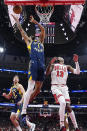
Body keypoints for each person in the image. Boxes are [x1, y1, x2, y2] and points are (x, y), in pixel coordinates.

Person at [12, 15, 45, 129]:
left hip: (42, 66)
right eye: (31, 37)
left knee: (38, 89)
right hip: (33, 65)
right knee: (30, 88)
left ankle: (26, 103)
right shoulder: (29, 43)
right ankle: (24, 112)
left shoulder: (41, 42)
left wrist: (35, 21)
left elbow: (43, 30)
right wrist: (17, 22)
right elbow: (22, 31)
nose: (33, 38)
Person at [46, 54, 80, 131]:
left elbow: (77, 72)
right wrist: (49, 64)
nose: (59, 57)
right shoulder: (53, 65)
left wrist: (76, 62)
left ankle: (76, 127)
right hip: (55, 87)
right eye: (58, 57)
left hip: (64, 87)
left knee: (68, 106)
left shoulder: (67, 66)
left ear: (63, 60)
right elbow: (47, 73)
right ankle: (62, 126)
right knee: (63, 103)